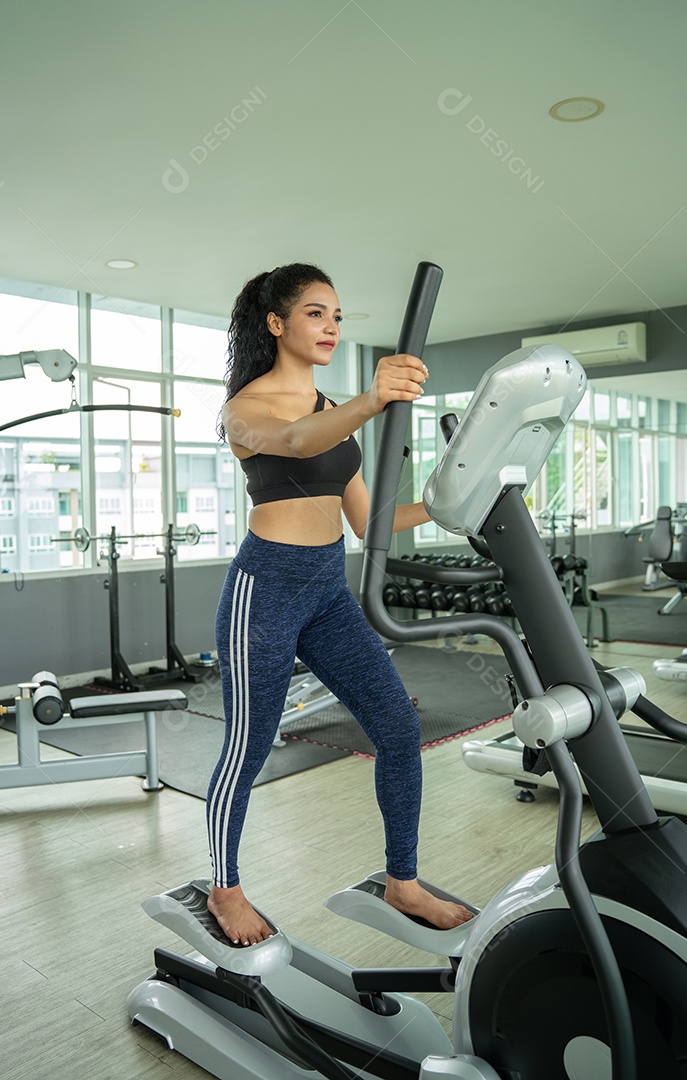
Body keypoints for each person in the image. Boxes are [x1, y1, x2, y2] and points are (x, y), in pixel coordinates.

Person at [207, 262, 472, 946]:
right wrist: (373, 400)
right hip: (264, 589)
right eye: (317, 314)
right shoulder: (245, 410)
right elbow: (295, 443)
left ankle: (403, 880)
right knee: (248, 745)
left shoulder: (331, 413)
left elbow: (369, 520)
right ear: (277, 323)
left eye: (337, 317)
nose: (330, 327)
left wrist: (452, 503)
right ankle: (225, 889)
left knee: (397, 729)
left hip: (327, 590)